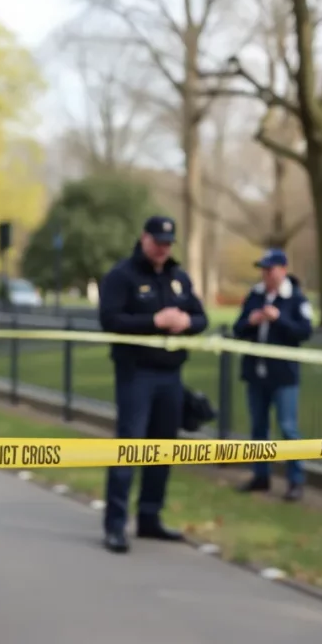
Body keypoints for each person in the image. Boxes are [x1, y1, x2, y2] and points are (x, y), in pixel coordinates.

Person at [98, 215, 208, 554]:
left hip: (171, 375)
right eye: (157, 242)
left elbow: (201, 317)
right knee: (130, 447)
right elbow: (110, 320)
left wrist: (186, 321)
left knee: (163, 449)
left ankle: (149, 517)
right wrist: (155, 321)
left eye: (168, 243)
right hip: (136, 374)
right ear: (144, 238)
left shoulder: (178, 278)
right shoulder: (122, 276)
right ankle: (116, 524)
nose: (162, 248)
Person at [231, 248, 313, 501]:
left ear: (282, 270)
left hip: (284, 375)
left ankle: (295, 481)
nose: (265, 274)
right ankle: (261, 475)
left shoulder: (296, 299)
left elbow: (304, 332)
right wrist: (252, 321)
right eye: (263, 270)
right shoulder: (255, 296)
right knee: (258, 427)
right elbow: (238, 328)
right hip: (257, 372)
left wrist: (279, 319)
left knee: (288, 428)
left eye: (270, 269)